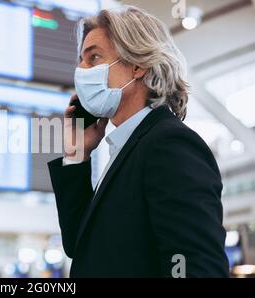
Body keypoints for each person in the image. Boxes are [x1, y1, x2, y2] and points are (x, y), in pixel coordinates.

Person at [48, 6, 229, 277]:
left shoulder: (169, 145)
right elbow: (79, 244)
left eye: (93, 58)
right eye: (80, 61)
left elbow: (195, 266)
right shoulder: (126, 149)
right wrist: (77, 154)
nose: (81, 70)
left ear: (138, 65)